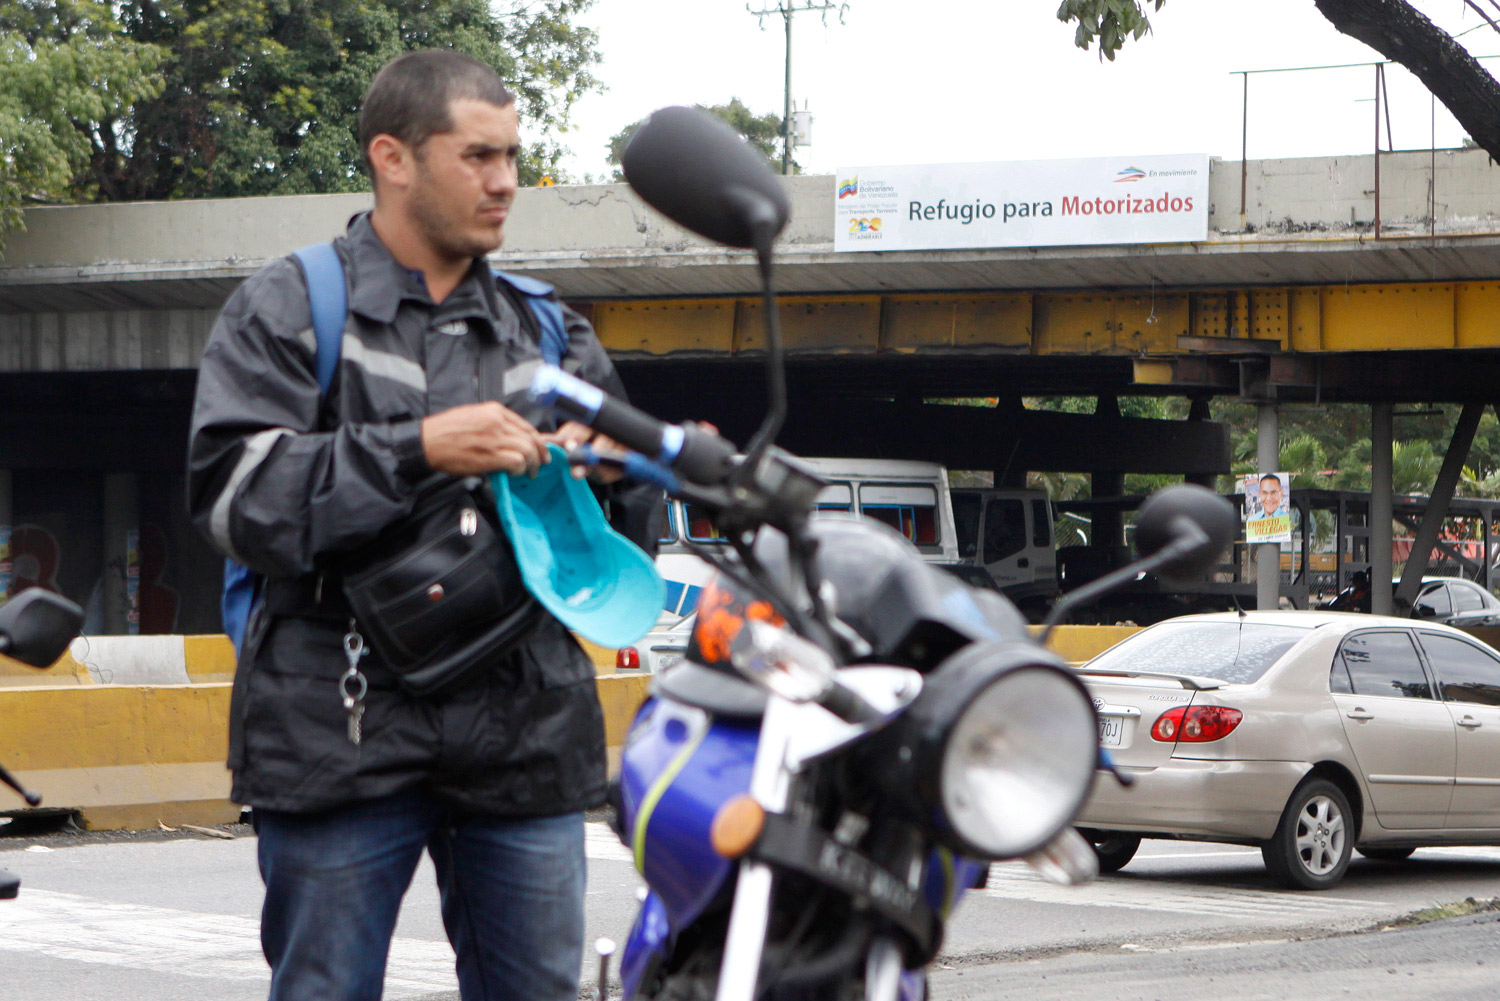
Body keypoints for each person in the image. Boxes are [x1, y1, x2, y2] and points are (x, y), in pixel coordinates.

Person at [187, 50, 641, 1001]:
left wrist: (618, 470)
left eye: (513, 155)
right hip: (337, 720)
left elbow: (613, 522)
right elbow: (235, 499)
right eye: (478, 155)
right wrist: (419, 448)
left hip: (526, 721)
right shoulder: (290, 306)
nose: (506, 181)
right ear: (392, 157)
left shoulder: (547, 328)